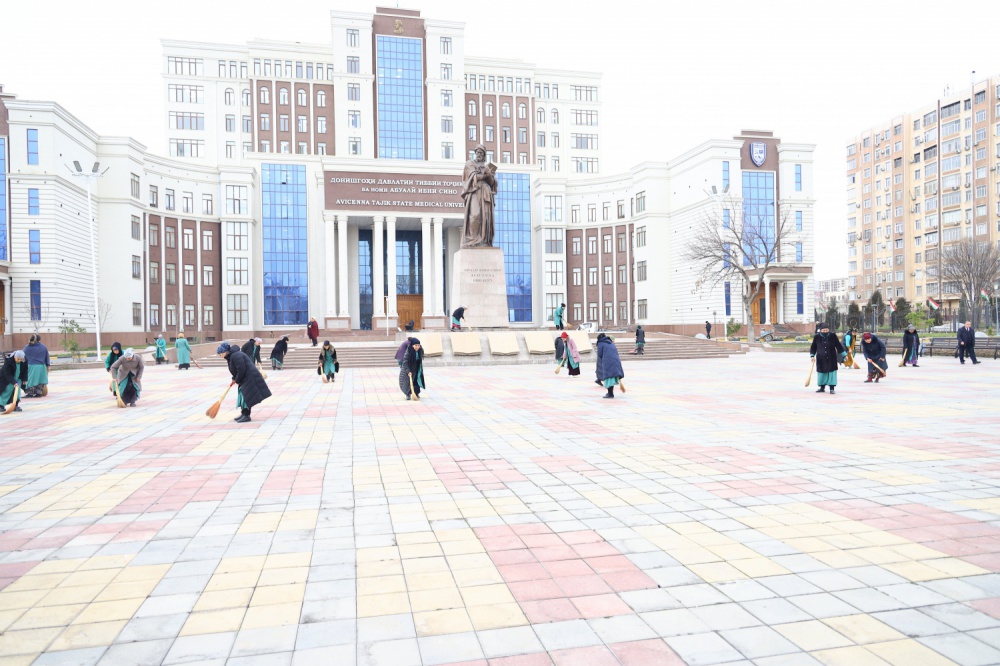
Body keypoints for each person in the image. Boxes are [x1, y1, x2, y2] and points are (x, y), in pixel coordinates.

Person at [218, 342, 271, 423]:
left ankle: (246, 415)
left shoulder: (235, 356)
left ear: (225, 352)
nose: (219, 356)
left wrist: (237, 379)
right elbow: (236, 370)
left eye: (220, 354)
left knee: (246, 397)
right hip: (245, 378)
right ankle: (243, 413)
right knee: (242, 396)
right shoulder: (231, 356)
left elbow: (241, 369)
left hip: (249, 377)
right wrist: (234, 378)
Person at [461, 144, 498, 247]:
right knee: (475, 215)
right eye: (477, 152)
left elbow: (492, 183)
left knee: (486, 216)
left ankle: (484, 241)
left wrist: (490, 175)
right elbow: (473, 178)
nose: (479, 154)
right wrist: (486, 174)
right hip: (474, 191)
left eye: (481, 153)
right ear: (475, 153)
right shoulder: (470, 163)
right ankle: (472, 240)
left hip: (486, 193)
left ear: (484, 155)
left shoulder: (488, 166)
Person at [809, 323, 847, 394]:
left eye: (826, 330)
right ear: (820, 330)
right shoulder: (817, 337)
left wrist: (844, 355)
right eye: (823, 330)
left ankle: (832, 388)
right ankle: (822, 387)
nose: (825, 331)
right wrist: (812, 356)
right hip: (821, 358)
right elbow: (813, 347)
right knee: (821, 373)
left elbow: (838, 346)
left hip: (831, 358)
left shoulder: (833, 336)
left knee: (831, 373)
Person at [596, 333, 624, 399]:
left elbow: (599, 354)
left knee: (608, 378)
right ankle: (610, 393)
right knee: (611, 377)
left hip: (608, 362)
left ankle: (610, 394)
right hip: (616, 361)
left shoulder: (601, 343)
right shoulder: (610, 342)